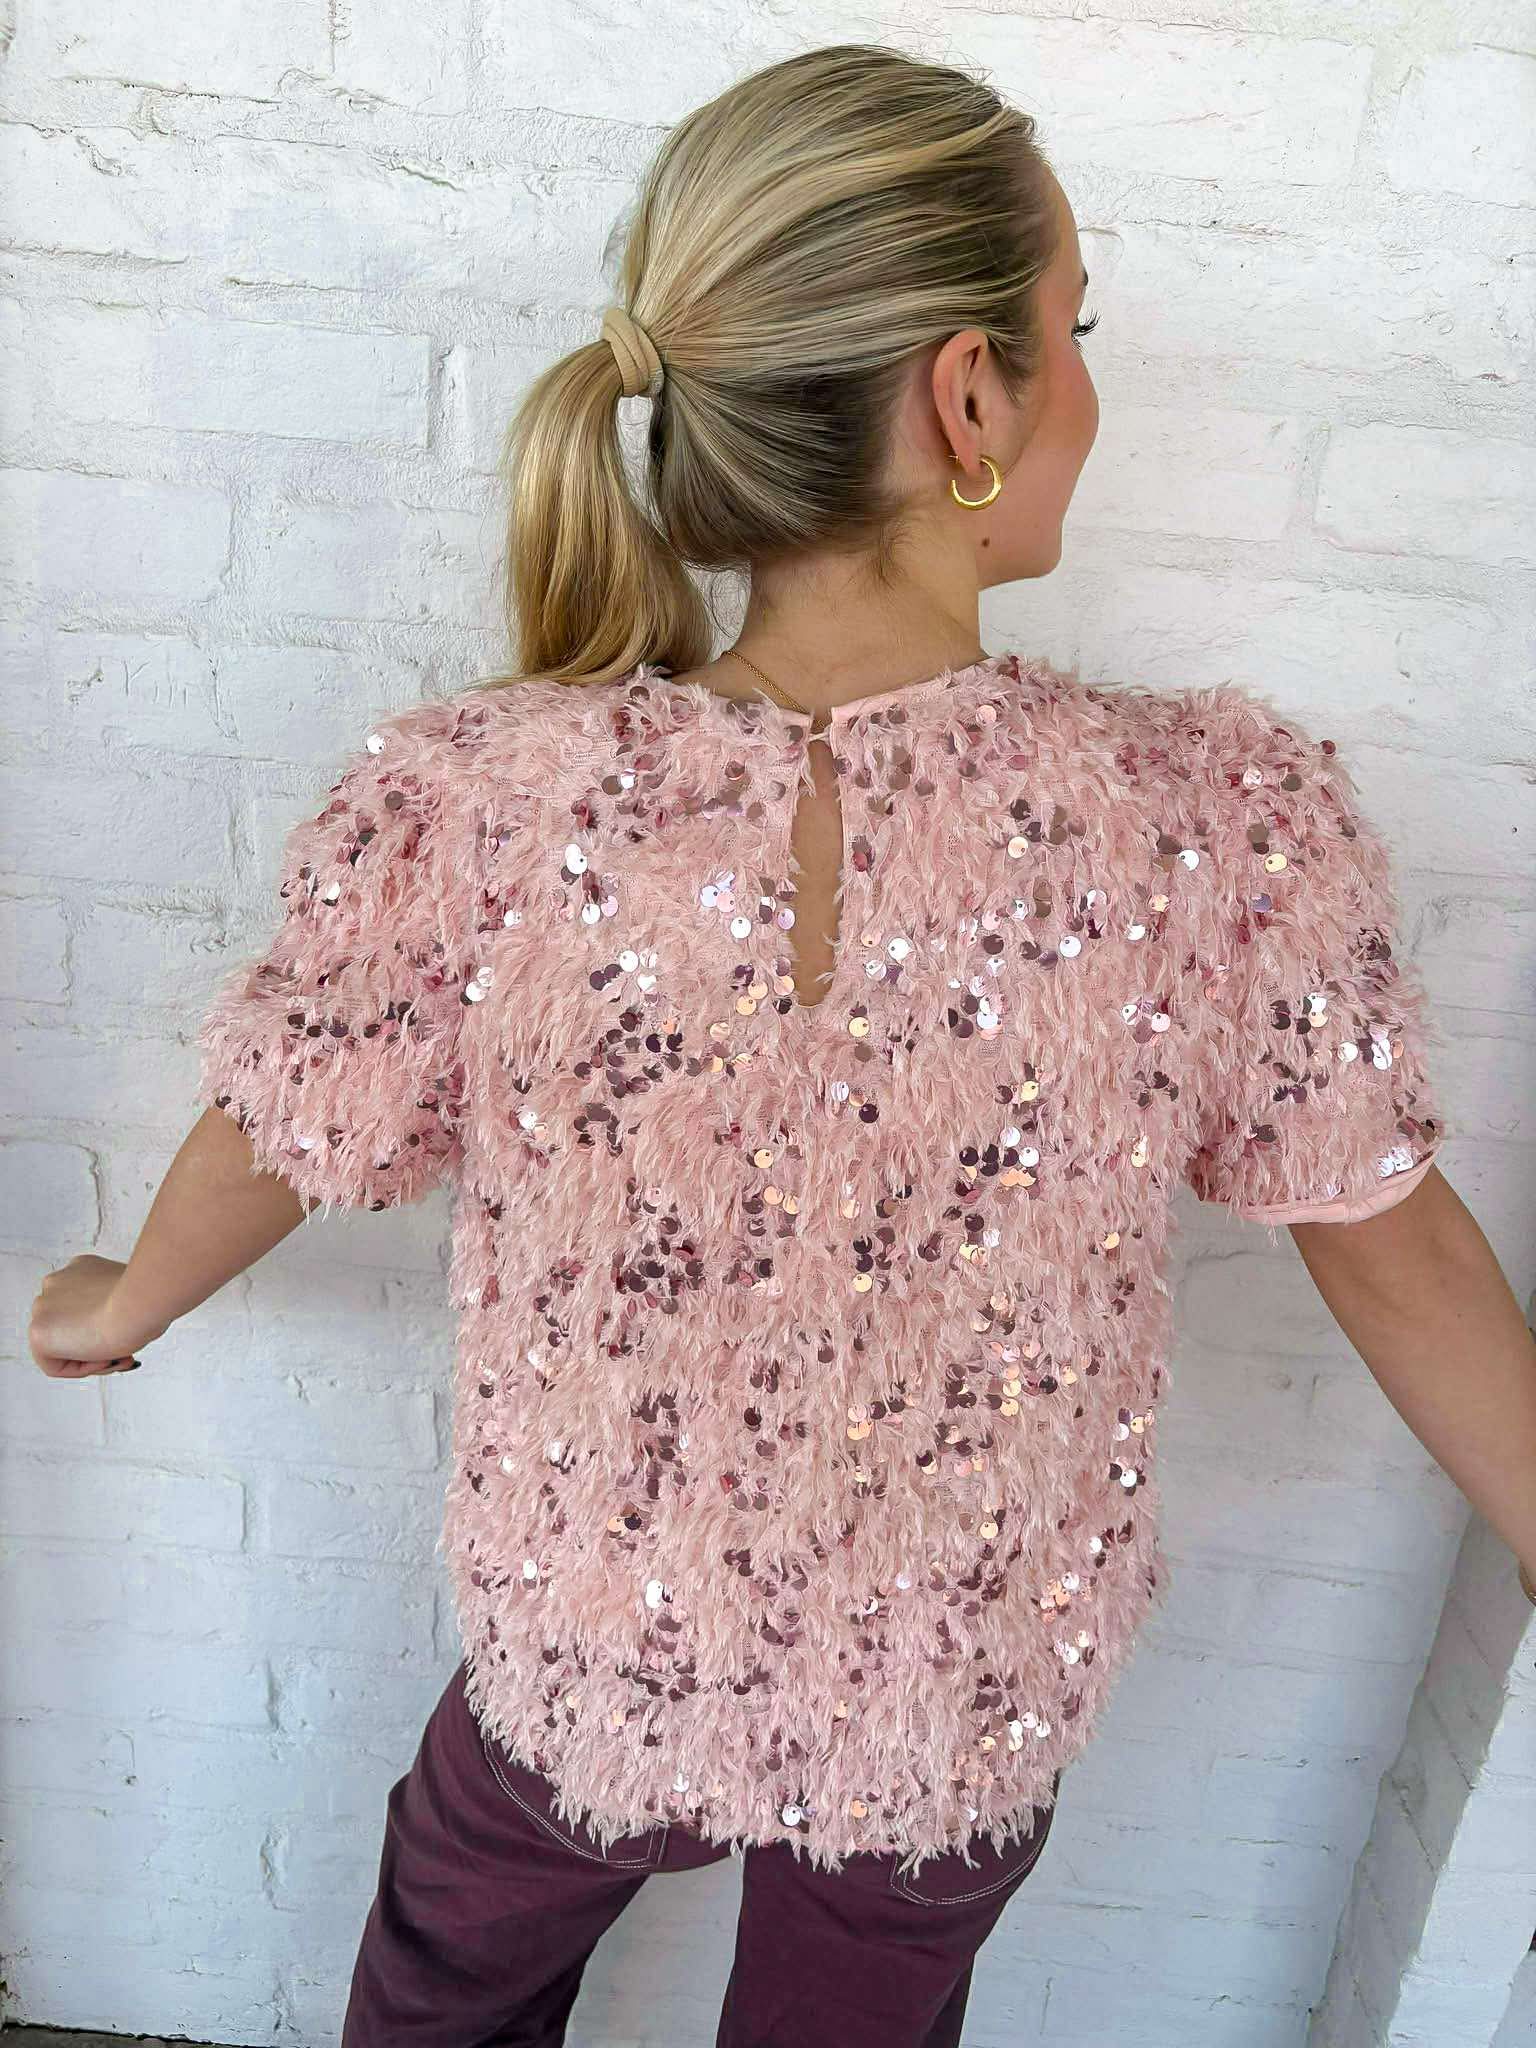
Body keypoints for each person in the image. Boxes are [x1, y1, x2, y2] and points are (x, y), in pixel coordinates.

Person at [26, 40, 1536, 2048]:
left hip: (586, 1647)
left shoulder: (487, 799)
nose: (1089, 383)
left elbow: (286, 1116)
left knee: (447, 1984)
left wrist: (120, 1296)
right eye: (1075, 332)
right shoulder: (1202, 822)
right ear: (971, 395)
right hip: (954, 1683)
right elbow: (1389, 1235)